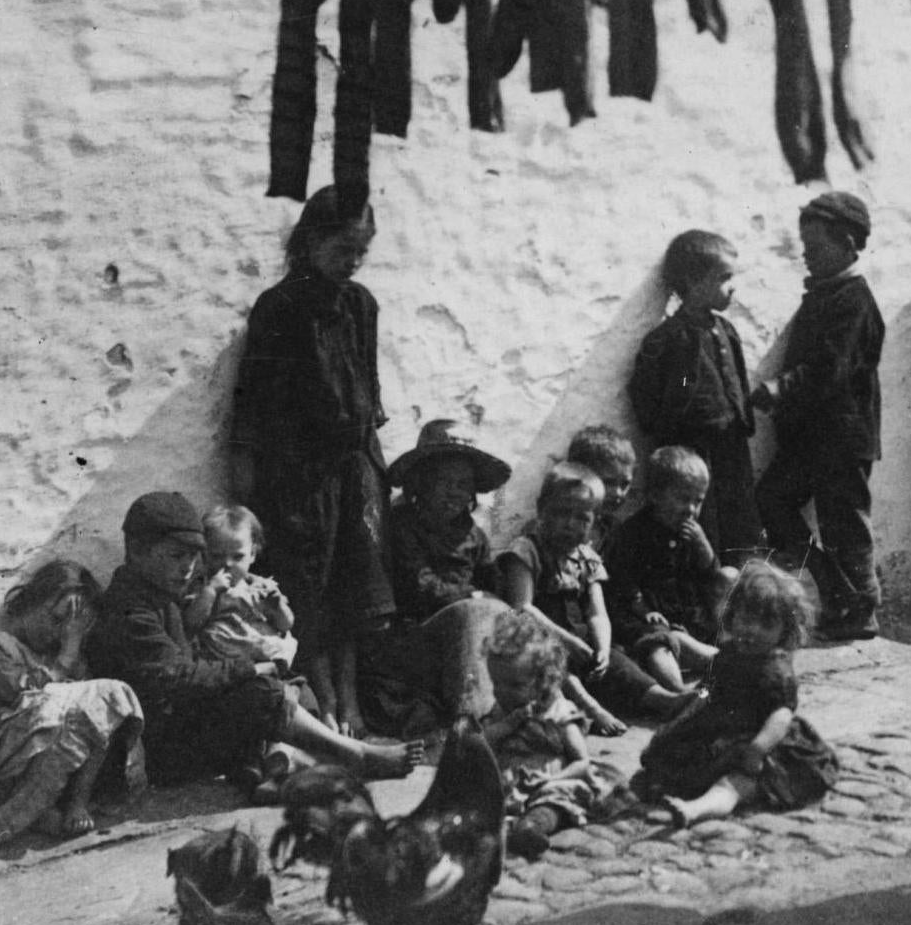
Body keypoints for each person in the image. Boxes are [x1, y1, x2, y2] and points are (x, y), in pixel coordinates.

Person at [84, 491, 417, 789]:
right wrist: (250, 668)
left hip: (184, 720)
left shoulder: (159, 591)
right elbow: (177, 678)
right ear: (137, 551)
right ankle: (354, 756)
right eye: (175, 556)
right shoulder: (130, 608)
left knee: (279, 697)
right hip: (160, 750)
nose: (187, 567)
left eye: (192, 556)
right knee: (260, 693)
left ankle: (280, 774)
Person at [229, 185, 395, 735]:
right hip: (297, 474)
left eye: (360, 253)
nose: (351, 263)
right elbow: (254, 398)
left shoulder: (361, 305)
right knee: (308, 589)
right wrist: (247, 476)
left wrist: (374, 467)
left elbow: (369, 387)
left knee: (352, 584)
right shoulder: (279, 307)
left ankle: (350, 698)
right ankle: (324, 700)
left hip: (353, 470)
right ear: (312, 239)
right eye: (343, 249)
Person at [753, 190, 887, 641]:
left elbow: (830, 369)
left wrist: (780, 387)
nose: (806, 258)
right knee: (771, 499)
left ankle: (862, 606)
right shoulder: (825, 294)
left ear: (848, 243)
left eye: (815, 249)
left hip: (843, 439)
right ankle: (834, 586)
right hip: (811, 437)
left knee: (845, 524)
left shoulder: (854, 301)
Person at [0, 561, 145, 852]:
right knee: (66, 706)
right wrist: (67, 654)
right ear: (32, 601)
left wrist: (70, 656)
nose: (58, 634)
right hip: (11, 760)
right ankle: (34, 809)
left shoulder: (61, 654)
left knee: (103, 703)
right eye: (55, 619)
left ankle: (77, 802)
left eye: (70, 629)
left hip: (64, 758)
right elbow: (26, 697)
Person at [635, 562, 841, 830]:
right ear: (732, 616)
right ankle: (676, 784)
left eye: (766, 624)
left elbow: (780, 715)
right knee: (673, 753)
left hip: (761, 740)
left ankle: (696, 809)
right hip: (722, 729)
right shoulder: (729, 653)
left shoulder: (774, 670)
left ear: (785, 630)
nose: (752, 630)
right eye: (746, 619)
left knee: (735, 783)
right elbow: (711, 689)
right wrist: (686, 715)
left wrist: (757, 750)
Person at [494, 463, 687, 729]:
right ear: (541, 509)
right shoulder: (526, 551)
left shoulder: (587, 559)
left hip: (582, 644)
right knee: (553, 663)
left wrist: (603, 649)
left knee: (619, 664)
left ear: (595, 521)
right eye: (562, 513)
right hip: (541, 640)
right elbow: (522, 607)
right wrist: (568, 641)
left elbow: (597, 613)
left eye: (582, 518)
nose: (570, 525)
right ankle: (591, 709)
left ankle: (666, 700)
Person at [362, 420, 518, 733]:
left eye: (463, 484)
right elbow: (420, 585)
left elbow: (494, 587)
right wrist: (472, 599)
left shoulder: (474, 536)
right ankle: (471, 727)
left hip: (469, 643)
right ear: (419, 482)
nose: (454, 492)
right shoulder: (402, 526)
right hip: (416, 638)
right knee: (473, 613)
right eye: (442, 481)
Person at [630, 230, 765, 558]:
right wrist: (668, 430)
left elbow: (738, 382)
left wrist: (742, 417)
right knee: (701, 523)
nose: (731, 286)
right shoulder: (668, 338)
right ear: (693, 281)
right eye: (723, 278)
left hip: (731, 448)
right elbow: (645, 394)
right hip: (692, 451)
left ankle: (740, 585)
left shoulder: (725, 331)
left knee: (739, 518)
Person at [475, 614, 636, 860]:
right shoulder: (502, 711)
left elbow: (581, 762)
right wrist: (507, 725)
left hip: (550, 779)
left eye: (515, 685)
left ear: (543, 681)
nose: (503, 692)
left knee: (555, 799)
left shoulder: (559, 713)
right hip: (508, 780)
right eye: (497, 683)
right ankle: (493, 828)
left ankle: (532, 827)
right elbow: (482, 744)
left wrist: (550, 780)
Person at [603, 446, 735, 691]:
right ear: (654, 495)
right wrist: (642, 609)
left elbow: (709, 576)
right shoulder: (633, 532)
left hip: (693, 617)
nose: (691, 509)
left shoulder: (693, 531)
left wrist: (703, 547)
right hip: (656, 619)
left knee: (729, 576)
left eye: (698, 501)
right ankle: (683, 689)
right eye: (683, 499)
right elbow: (622, 579)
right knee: (662, 643)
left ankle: (730, 646)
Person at [192, 507, 298, 669]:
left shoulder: (259, 586)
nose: (227, 563)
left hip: (262, 652)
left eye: (237, 556)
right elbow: (190, 623)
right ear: (204, 554)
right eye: (217, 556)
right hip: (227, 659)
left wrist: (277, 607)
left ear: (253, 554)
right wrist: (211, 591)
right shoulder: (202, 586)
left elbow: (286, 625)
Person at [565, 424, 640, 547]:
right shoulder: (555, 527)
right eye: (608, 482)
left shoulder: (614, 531)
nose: (618, 493)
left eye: (624, 484)